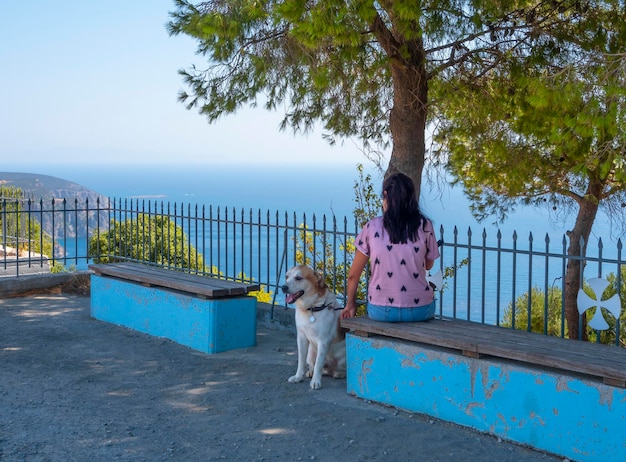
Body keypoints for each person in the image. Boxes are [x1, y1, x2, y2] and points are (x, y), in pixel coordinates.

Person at [341, 173, 440, 322]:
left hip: (380, 310)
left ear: (386, 195)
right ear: (411, 197)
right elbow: (428, 265)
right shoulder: (425, 225)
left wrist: (350, 305)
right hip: (420, 309)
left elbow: (353, 276)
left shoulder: (371, 227)